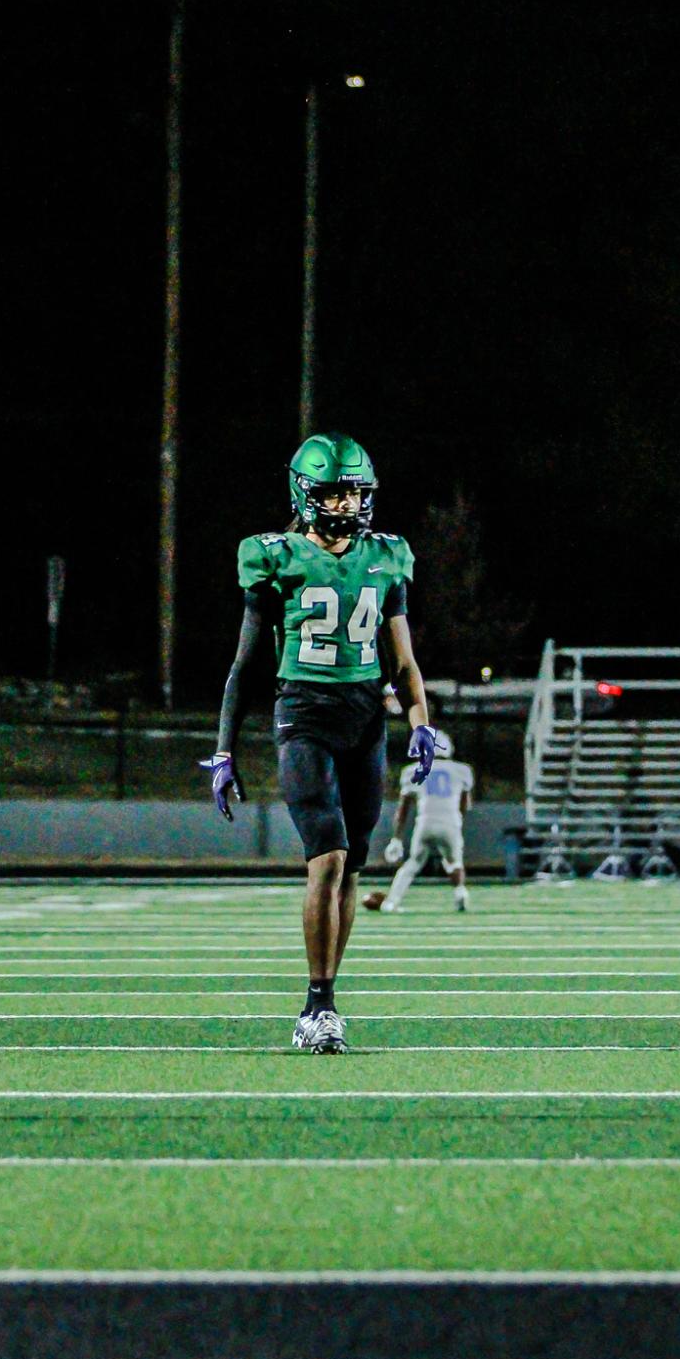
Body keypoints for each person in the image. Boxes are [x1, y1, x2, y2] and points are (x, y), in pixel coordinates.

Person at [204, 432, 435, 1053]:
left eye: (355, 492)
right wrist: (225, 748)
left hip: (364, 717)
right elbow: (246, 666)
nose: (347, 505)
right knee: (326, 856)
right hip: (303, 712)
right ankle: (317, 1006)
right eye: (334, 493)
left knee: (353, 864)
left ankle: (330, 992)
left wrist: (420, 721)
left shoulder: (386, 557)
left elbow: (403, 659)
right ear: (305, 494)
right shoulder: (275, 557)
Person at [364, 735, 474, 913]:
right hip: (450, 821)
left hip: (425, 822)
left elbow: (403, 809)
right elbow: (465, 805)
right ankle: (460, 892)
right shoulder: (462, 770)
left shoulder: (413, 770)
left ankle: (392, 901)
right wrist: (457, 820)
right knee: (454, 862)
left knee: (414, 863)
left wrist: (397, 838)